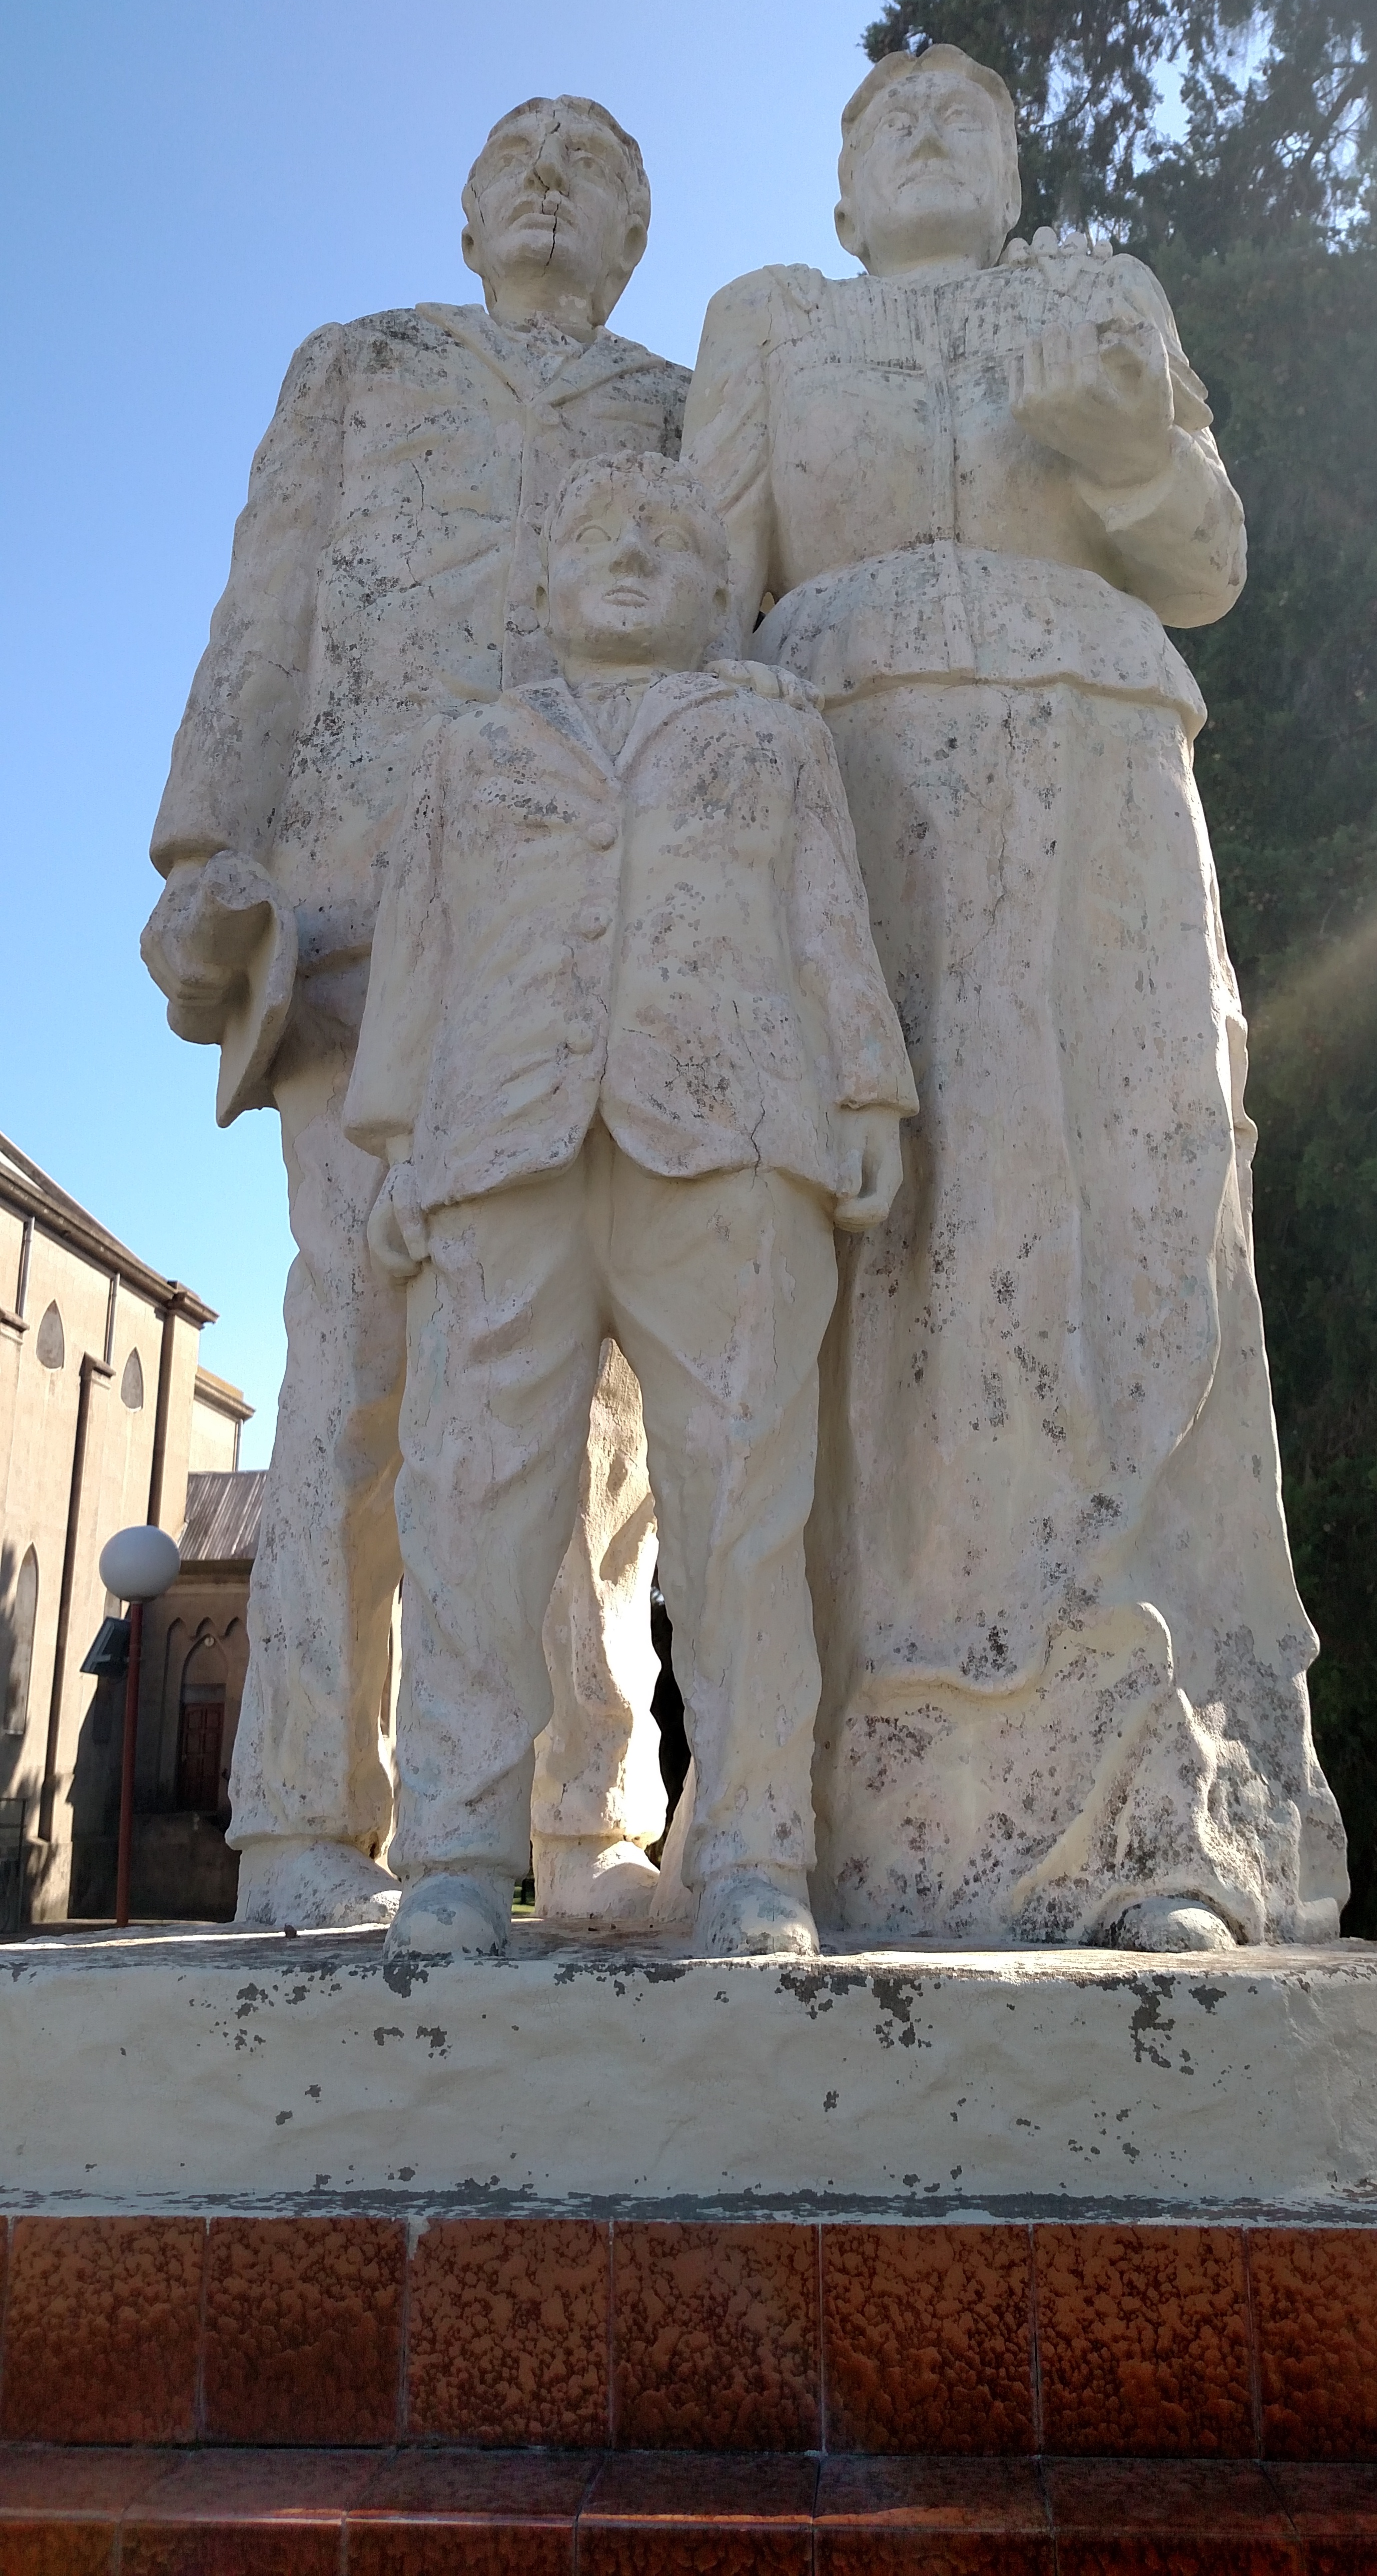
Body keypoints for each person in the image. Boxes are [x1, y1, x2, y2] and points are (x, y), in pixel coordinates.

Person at [682, 45, 1349, 1953]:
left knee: (1136, 1225)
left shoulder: (1101, 296)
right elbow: (692, 592)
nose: (928, 130)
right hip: (848, 802)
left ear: (1014, 164)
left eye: (967, 115)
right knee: (897, 1262)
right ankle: (824, 1820)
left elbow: (1206, 558)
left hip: (1108, 795)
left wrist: (1131, 442)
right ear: (835, 190)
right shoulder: (776, 326)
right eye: (887, 117)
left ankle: (1159, 1819)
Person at [141, 97, 688, 1930]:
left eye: (594, 168)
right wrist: (207, 853)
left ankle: (585, 1820)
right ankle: (306, 1816)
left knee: (592, 1392)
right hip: (360, 907)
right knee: (361, 1362)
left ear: (633, 236)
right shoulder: (358, 366)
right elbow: (267, 605)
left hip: (596, 930)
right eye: (518, 159)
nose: (549, 180)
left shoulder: (681, 413)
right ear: (465, 217)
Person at [341, 451, 918, 1959]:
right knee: (470, 1500)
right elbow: (420, 951)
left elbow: (825, 913)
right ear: (539, 583)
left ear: (716, 591)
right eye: (597, 534)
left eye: (668, 539)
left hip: (731, 1136)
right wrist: (398, 1136)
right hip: (495, 1147)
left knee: (741, 1507)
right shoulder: (469, 751)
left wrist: (866, 1091)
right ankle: (458, 1852)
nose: (633, 557)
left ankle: (753, 1852)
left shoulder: (769, 733)